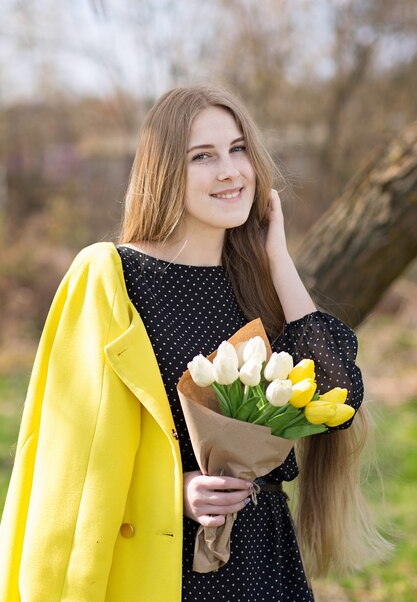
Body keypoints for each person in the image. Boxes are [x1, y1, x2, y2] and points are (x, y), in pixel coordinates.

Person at [0, 85, 385, 601]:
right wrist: (175, 492)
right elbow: (73, 455)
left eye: (238, 148)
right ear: (163, 173)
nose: (229, 170)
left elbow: (338, 399)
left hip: (264, 557)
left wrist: (280, 260)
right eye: (203, 156)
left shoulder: (258, 283)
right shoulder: (113, 275)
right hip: (164, 560)